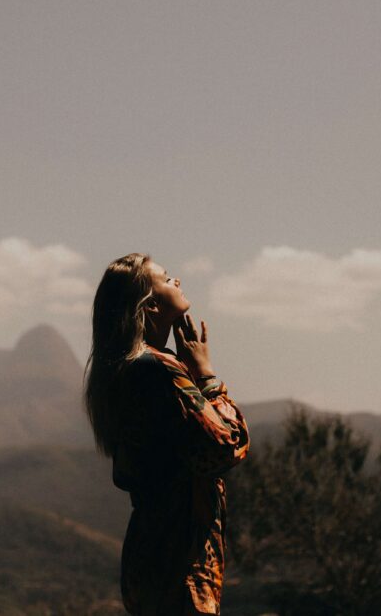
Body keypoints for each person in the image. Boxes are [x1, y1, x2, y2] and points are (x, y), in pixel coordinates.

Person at [84, 253, 250, 615]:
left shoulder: (127, 371)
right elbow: (227, 446)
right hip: (179, 558)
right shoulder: (157, 371)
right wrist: (207, 376)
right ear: (151, 304)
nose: (176, 280)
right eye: (166, 278)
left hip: (151, 553)